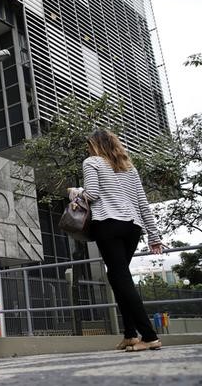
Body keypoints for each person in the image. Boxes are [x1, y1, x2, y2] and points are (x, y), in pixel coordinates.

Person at [72, 129, 164, 352]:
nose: (87, 149)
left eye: (89, 145)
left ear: (94, 145)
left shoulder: (91, 162)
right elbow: (143, 203)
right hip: (132, 227)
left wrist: (75, 192)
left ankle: (150, 336)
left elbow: (92, 194)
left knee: (121, 278)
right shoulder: (129, 167)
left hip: (108, 224)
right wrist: (154, 235)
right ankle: (130, 334)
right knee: (116, 276)